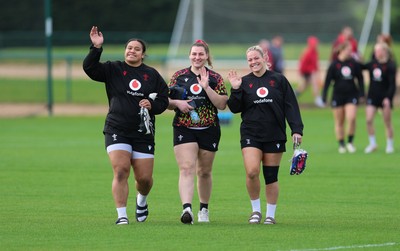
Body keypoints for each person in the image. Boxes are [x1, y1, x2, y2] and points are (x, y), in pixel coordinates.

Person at [83, 26, 169, 225]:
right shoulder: (114, 69)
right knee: (121, 170)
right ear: (125, 50)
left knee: (145, 180)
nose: (132, 51)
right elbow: (90, 69)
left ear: (143, 54)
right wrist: (96, 48)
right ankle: (122, 215)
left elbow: (164, 100)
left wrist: (152, 105)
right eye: (129, 48)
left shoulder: (152, 75)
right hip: (116, 129)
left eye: (136, 49)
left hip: (142, 132)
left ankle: (142, 200)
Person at [227, 45, 304, 225]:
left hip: (274, 133)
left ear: (264, 58)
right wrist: (236, 89)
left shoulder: (279, 80)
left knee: (271, 176)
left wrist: (297, 129)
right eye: (250, 60)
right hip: (250, 134)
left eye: (256, 58)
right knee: (252, 171)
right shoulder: (244, 82)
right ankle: (256, 211)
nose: (253, 62)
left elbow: (290, 106)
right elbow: (234, 108)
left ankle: (270, 214)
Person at [168, 40, 228, 224]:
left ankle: (204, 209)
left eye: (201, 54)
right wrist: (178, 103)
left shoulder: (215, 78)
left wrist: (206, 87)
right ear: (189, 55)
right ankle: (187, 209)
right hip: (184, 127)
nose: (197, 57)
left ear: (207, 56)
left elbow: (222, 104)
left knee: (204, 171)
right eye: (194, 54)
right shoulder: (179, 76)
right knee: (186, 168)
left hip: (209, 128)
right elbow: (166, 102)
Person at [322, 41, 365, 154]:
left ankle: (350, 142)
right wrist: (324, 96)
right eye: (348, 50)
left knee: (351, 118)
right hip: (338, 96)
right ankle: (341, 144)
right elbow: (327, 81)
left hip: (352, 95)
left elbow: (360, 79)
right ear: (341, 50)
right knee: (339, 121)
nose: (350, 52)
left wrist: (361, 93)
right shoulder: (334, 64)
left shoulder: (353, 63)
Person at [363, 42, 397, 154]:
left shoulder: (391, 65)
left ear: (384, 51)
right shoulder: (373, 64)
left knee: (387, 121)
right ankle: (373, 144)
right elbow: (361, 66)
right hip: (373, 96)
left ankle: (390, 145)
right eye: (375, 51)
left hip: (385, 98)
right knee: (368, 120)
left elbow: (392, 84)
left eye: (378, 50)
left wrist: (388, 98)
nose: (376, 53)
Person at [296, 36, 324, 108]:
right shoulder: (307, 52)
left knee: (303, 86)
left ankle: (293, 96)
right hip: (307, 71)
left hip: (311, 71)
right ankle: (317, 99)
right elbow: (303, 63)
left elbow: (315, 63)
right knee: (314, 84)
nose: (316, 45)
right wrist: (303, 73)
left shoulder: (315, 52)